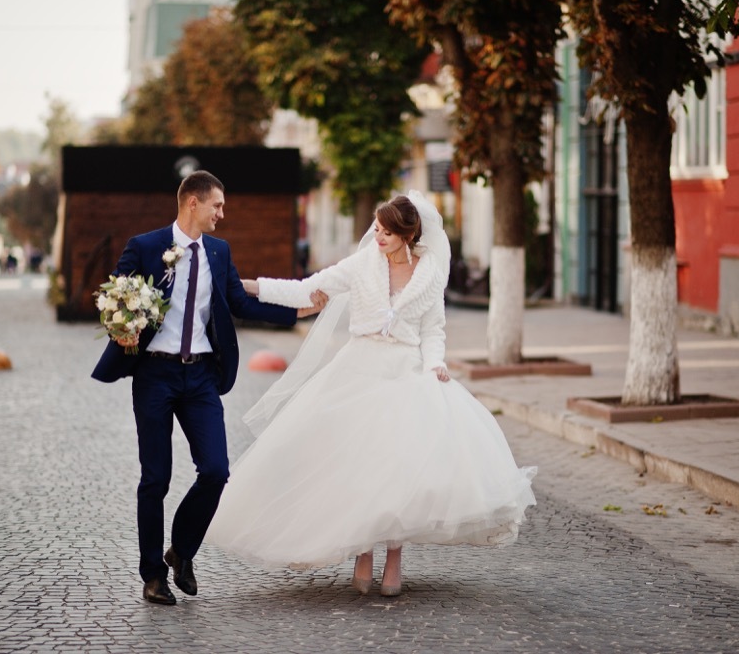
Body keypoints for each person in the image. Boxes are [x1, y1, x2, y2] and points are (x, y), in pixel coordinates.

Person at [206, 191, 536, 597]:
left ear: (407, 235)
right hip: (358, 369)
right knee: (358, 465)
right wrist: (246, 286)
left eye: (385, 232)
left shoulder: (430, 272)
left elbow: (434, 328)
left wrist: (436, 363)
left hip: (406, 372)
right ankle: (362, 552)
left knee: (397, 468)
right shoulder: (363, 264)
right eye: (376, 229)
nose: (376, 237)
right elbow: (307, 289)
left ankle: (394, 558)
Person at [92, 170, 325, 606]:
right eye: (217, 205)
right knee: (155, 479)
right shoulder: (144, 247)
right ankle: (152, 576)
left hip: (199, 375)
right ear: (192, 203)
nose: (222, 213)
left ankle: (181, 550)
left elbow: (238, 300)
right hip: (154, 375)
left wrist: (296, 313)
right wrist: (121, 327)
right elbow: (115, 298)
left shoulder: (218, 251)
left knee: (216, 470)